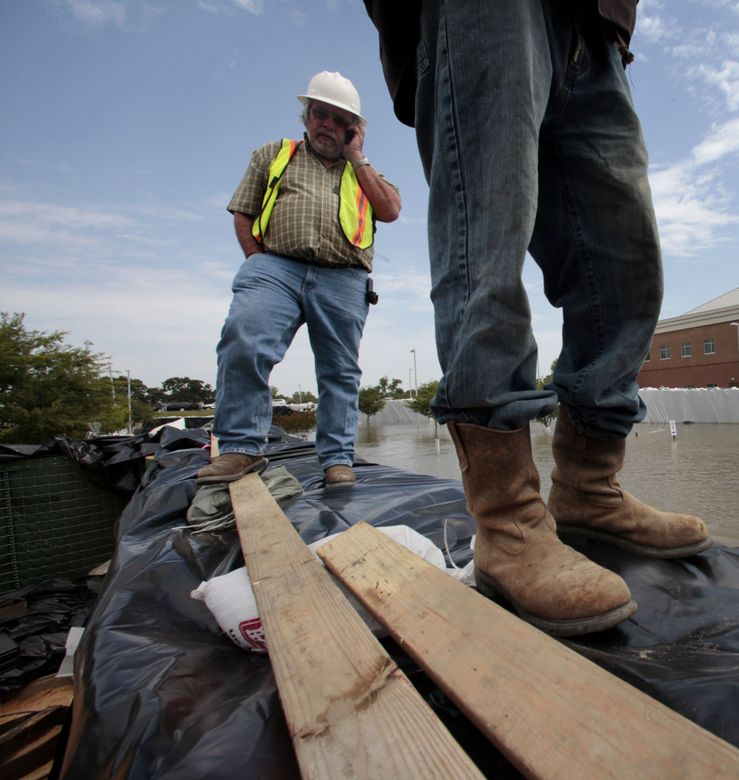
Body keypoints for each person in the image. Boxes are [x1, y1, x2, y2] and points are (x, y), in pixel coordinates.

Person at [364, 1, 711, 636]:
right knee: (485, 245)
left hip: (596, 26)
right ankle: (508, 523)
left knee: (625, 264)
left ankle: (588, 489)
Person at [198, 71, 402, 487]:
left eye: (338, 118)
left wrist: (357, 157)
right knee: (244, 339)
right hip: (276, 266)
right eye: (319, 113)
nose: (327, 123)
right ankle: (240, 450)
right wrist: (257, 263)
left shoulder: (364, 171)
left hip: (344, 277)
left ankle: (337, 461)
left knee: (340, 372)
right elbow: (244, 212)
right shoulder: (274, 154)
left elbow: (390, 210)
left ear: (353, 128)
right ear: (306, 116)